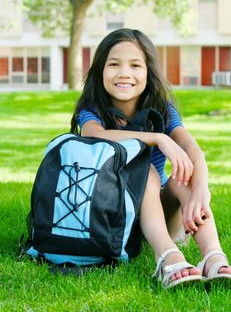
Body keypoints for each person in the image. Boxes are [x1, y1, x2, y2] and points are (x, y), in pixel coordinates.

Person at [70, 28, 231, 289]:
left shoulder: (161, 109)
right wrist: (158, 139)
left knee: (182, 177)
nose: (124, 73)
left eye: (135, 65)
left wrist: (200, 191)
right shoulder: (92, 110)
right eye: (114, 64)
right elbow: (94, 134)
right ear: (100, 70)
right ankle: (168, 256)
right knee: (148, 172)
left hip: (161, 215)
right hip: (112, 217)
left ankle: (212, 255)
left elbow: (193, 150)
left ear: (148, 72)